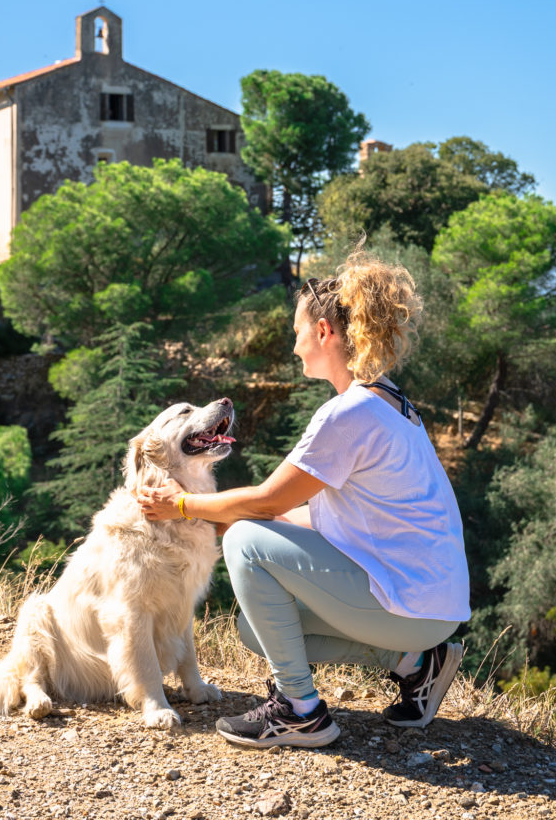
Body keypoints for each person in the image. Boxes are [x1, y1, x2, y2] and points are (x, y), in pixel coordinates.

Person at [137, 249, 470, 750]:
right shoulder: (390, 398)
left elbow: (266, 503)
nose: (294, 346)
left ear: (323, 332)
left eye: (297, 332)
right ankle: (418, 664)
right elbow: (315, 514)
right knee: (256, 627)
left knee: (248, 539)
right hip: (432, 603)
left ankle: (299, 711)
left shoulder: (347, 413)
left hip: (411, 602)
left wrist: (181, 507)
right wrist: (226, 516)